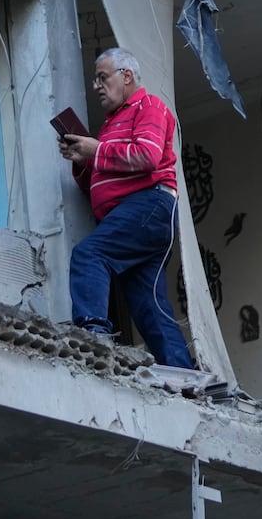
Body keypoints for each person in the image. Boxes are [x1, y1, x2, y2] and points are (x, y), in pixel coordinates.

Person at [59, 48, 196, 368]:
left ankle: (93, 336)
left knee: (89, 254)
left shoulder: (148, 106)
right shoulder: (111, 124)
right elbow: (99, 183)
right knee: (149, 307)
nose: (96, 86)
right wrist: (84, 158)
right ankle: (186, 378)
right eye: (95, 80)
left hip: (149, 205)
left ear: (127, 76)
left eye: (102, 77)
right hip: (138, 216)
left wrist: (97, 148)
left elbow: (146, 156)